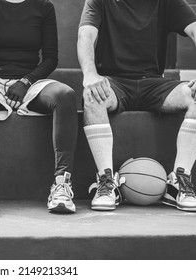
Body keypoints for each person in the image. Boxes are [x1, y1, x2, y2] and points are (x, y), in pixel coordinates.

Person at [0, 0, 78, 217]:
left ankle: (62, 185)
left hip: (30, 81)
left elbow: (51, 58)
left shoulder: (44, 6)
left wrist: (26, 81)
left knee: (66, 95)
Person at [78, 0, 196, 211]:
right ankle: (107, 182)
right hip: (114, 83)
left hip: (154, 84)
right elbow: (86, 36)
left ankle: (179, 182)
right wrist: (89, 73)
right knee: (92, 96)